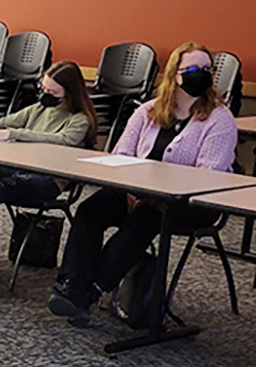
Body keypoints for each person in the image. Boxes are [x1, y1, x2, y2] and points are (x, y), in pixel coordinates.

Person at [49, 42, 238, 326]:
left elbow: (209, 175)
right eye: (194, 69)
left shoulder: (219, 118)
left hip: (191, 203)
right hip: (138, 192)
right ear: (175, 74)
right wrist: (131, 188)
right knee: (92, 208)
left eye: (208, 69)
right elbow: (122, 154)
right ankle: (75, 285)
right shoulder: (148, 110)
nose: (203, 74)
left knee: (146, 217)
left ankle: (92, 290)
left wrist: (153, 194)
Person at [0, 60, 96, 296]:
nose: (46, 95)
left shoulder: (79, 120)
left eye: (52, 92)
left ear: (69, 92)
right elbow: (1, 122)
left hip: (48, 180)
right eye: (44, 89)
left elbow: (62, 140)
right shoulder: (39, 109)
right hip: (19, 170)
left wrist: (13, 134)